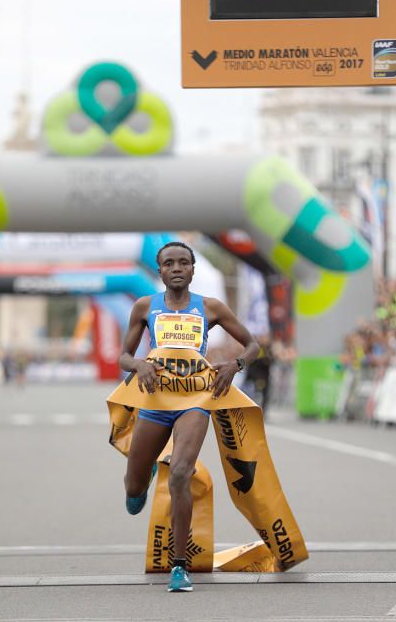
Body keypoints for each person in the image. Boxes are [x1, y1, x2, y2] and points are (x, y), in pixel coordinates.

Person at [119, 241, 259, 593]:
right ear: (160, 270)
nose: (177, 268)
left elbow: (253, 345)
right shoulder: (144, 307)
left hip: (194, 400)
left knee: (181, 472)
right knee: (134, 490)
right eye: (170, 263)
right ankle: (144, 472)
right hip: (155, 401)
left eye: (184, 262)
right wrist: (138, 365)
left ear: (193, 270)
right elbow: (124, 356)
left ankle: (179, 566)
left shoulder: (210, 308)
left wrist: (235, 364)